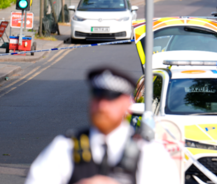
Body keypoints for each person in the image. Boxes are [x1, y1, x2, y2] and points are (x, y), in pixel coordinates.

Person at [25, 67, 180, 184]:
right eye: (97, 97)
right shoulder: (64, 148)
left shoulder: (150, 154)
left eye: (111, 99)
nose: (102, 107)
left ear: (128, 104)